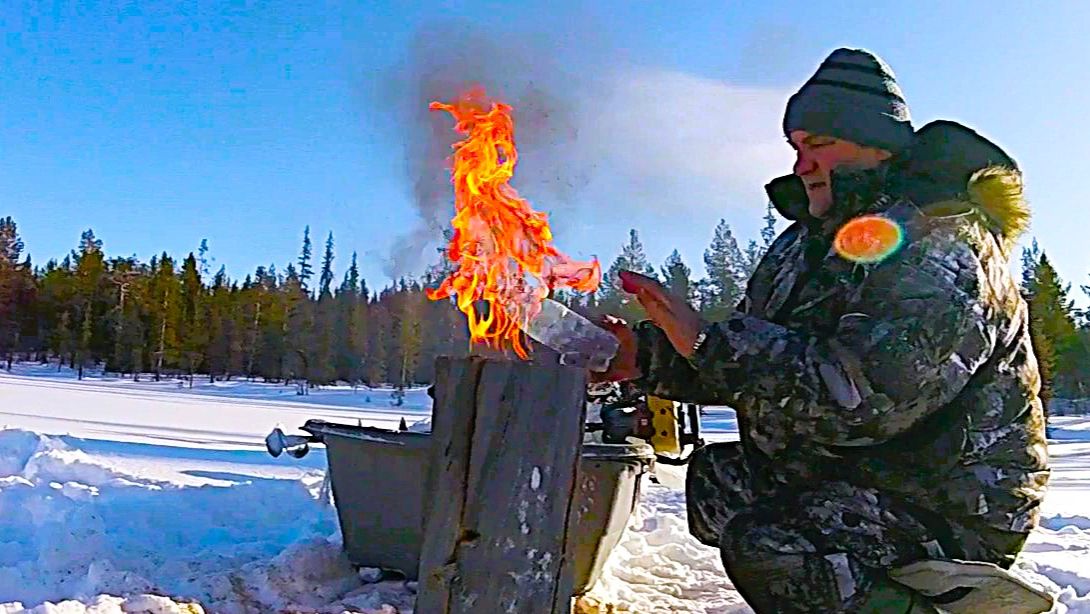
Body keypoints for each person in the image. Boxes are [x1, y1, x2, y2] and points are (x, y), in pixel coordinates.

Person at [597, 48, 1050, 612]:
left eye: (818, 146)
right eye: (796, 149)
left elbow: (862, 401)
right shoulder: (807, 245)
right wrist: (643, 357)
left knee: (772, 544)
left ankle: (951, 598)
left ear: (877, 147)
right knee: (720, 486)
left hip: (949, 502)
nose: (801, 165)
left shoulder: (938, 241)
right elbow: (765, 365)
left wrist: (708, 340)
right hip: (874, 472)